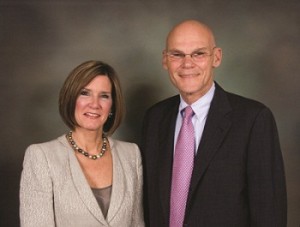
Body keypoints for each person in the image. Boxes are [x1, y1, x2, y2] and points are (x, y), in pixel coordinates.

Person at [141, 20, 287, 227]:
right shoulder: (155, 119)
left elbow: (269, 213)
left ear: (216, 57)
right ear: (165, 60)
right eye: (177, 54)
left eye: (198, 53)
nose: (187, 64)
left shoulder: (254, 120)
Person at [20, 60, 144, 227]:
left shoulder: (131, 155)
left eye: (104, 96)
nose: (94, 104)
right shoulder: (42, 157)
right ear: (71, 99)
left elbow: (137, 224)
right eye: (85, 93)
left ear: (112, 106)